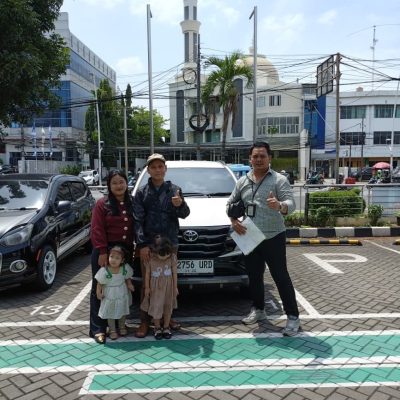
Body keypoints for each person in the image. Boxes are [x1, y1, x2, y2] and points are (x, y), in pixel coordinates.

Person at [227, 141, 300, 336]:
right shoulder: (242, 181)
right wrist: (233, 221)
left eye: (262, 156)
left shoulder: (279, 180)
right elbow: (230, 203)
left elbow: (291, 204)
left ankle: (293, 317)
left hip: (273, 235)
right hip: (250, 235)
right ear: (250, 159)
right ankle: (258, 309)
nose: (258, 159)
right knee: (254, 277)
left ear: (269, 158)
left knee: (280, 277)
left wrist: (280, 205)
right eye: (255, 156)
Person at [133, 153, 190, 338]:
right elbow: (137, 220)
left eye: (160, 166)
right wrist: (142, 244)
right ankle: (144, 321)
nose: (157, 170)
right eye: (153, 167)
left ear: (165, 169)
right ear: (148, 170)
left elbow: (185, 214)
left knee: (168, 282)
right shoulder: (142, 192)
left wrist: (179, 204)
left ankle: (167, 317)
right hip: (149, 246)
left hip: (170, 244)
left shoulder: (175, 190)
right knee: (147, 283)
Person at [89, 169, 135, 344]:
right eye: (114, 183)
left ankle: (117, 325)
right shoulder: (102, 204)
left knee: (120, 288)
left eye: (121, 181)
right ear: (109, 185)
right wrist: (102, 251)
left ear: (126, 183)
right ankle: (98, 328)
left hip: (125, 252)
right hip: (105, 251)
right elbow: (97, 229)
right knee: (100, 289)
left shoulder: (132, 202)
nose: (118, 185)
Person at [141, 235, 178, 339]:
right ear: (156, 251)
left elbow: (174, 273)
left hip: (168, 288)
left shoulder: (172, 258)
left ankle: (166, 327)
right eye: (162, 254)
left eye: (167, 254)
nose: (165, 257)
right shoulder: (151, 259)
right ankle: (157, 327)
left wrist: (175, 287)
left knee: (168, 306)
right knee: (156, 306)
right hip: (155, 289)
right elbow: (147, 274)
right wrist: (147, 287)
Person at [95, 245, 135, 340]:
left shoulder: (125, 268)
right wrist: (98, 292)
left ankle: (122, 326)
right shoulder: (105, 270)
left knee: (122, 310)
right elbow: (99, 283)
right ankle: (112, 329)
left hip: (122, 293)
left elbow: (127, 278)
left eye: (117, 258)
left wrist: (129, 284)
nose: (113, 260)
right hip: (109, 294)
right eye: (111, 257)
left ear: (122, 260)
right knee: (110, 312)